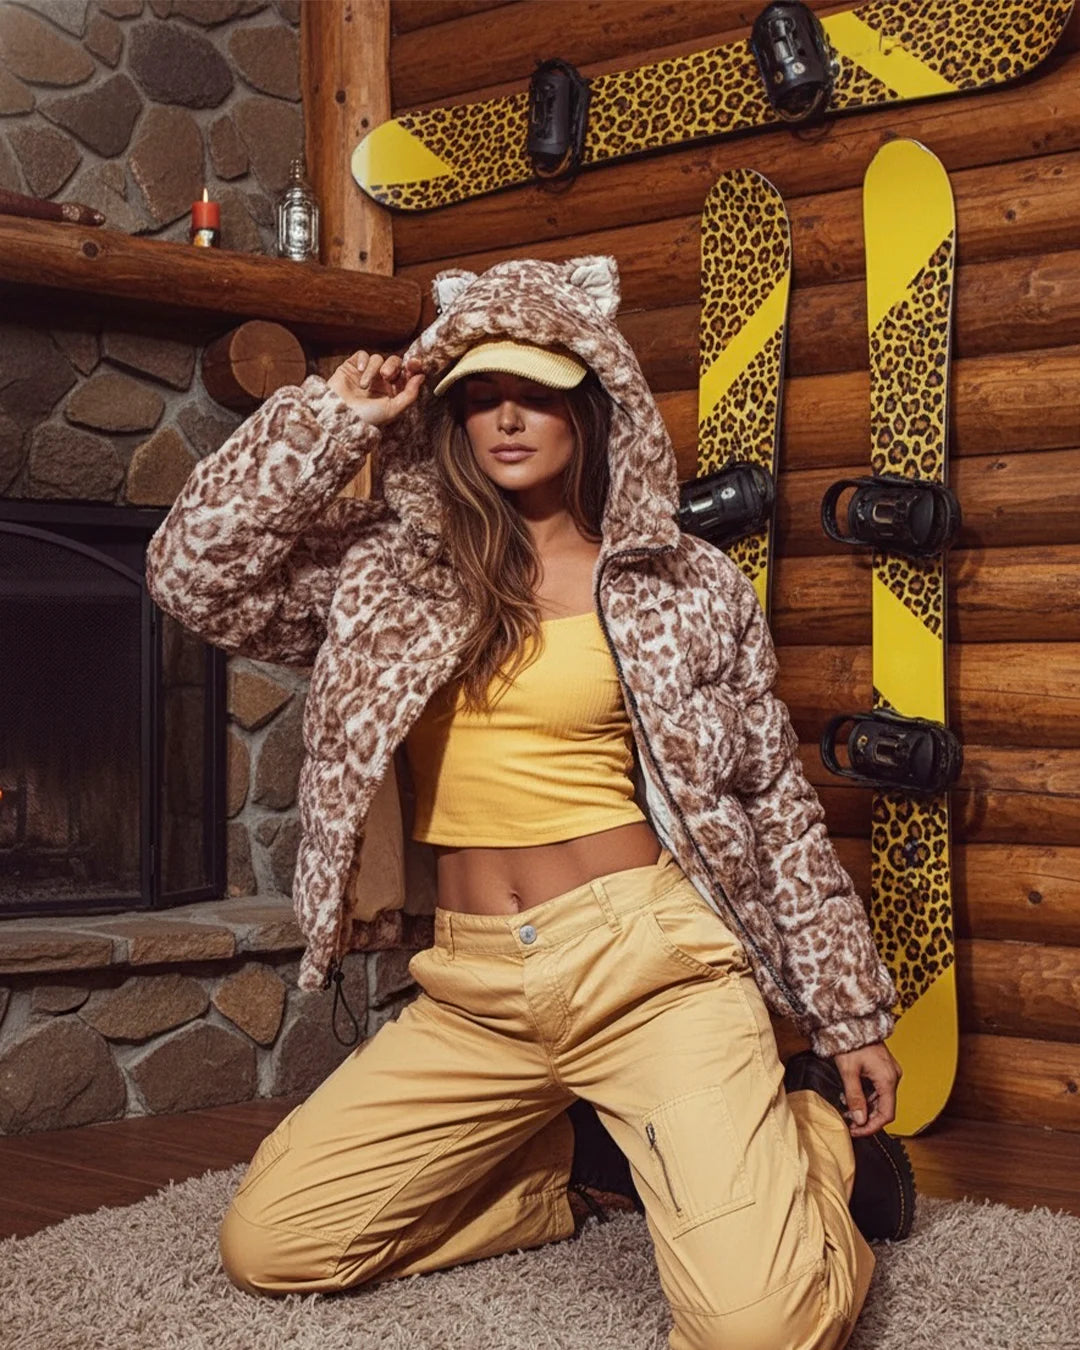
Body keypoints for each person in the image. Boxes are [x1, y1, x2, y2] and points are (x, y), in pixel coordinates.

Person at [145, 256, 914, 1350]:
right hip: (474, 987)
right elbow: (191, 574)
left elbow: (774, 801)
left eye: (538, 391)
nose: (507, 417)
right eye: (479, 395)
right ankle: (568, 1177)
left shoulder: (684, 583)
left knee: (757, 1331)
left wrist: (845, 1014)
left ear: (592, 408)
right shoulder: (387, 576)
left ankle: (806, 1140)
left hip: (654, 970)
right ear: (450, 417)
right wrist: (330, 417)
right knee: (276, 1249)